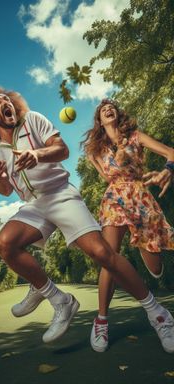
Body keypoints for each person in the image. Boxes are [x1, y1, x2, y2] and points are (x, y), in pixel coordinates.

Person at [0, 86, 174, 352]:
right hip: (35, 204)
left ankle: (158, 314)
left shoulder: (32, 119)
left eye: (8, 99)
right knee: (5, 243)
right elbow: (6, 191)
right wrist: (0, 179)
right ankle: (58, 299)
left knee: (103, 254)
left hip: (60, 194)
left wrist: (37, 154)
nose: (6, 102)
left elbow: (62, 150)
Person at [82, 98, 174, 352]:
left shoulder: (135, 136)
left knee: (154, 265)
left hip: (141, 196)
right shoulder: (94, 151)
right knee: (108, 256)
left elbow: (171, 152)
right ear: (99, 121)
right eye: (102, 110)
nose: (107, 109)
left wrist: (169, 168)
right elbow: (106, 177)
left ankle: (148, 257)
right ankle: (101, 320)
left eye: (111, 107)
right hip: (115, 198)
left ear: (117, 114)